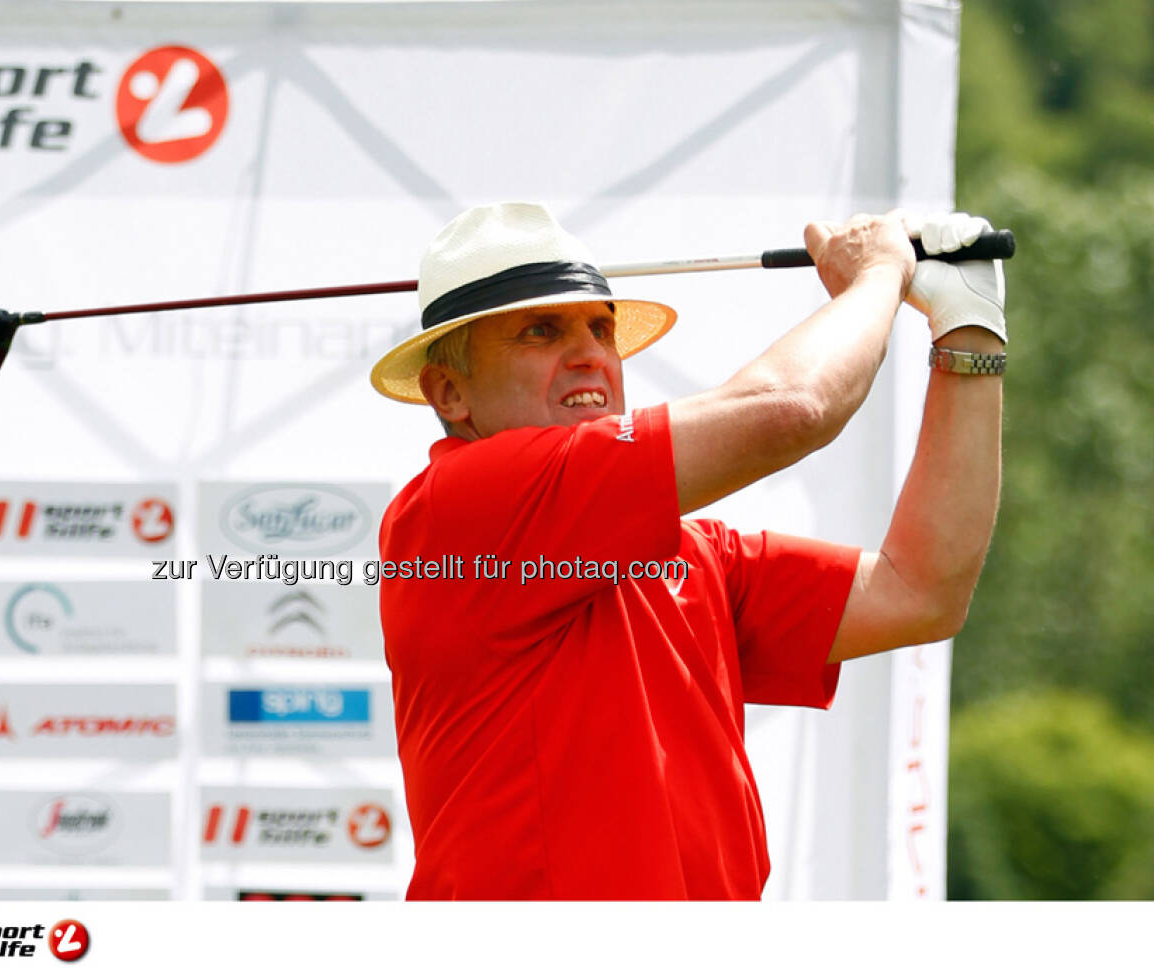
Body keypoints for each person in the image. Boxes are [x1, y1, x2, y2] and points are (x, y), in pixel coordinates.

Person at [367, 202, 1006, 900]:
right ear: (450, 391)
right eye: (540, 331)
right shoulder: (457, 510)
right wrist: (879, 274)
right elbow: (792, 407)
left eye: (601, 328)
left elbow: (920, 592)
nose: (590, 354)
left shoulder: (690, 550)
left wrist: (970, 334)